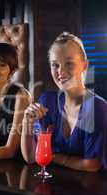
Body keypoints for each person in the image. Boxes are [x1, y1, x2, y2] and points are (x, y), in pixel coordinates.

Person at [21, 32, 107, 172]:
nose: (61, 71)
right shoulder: (47, 101)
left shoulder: (97, 107)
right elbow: (31, 157)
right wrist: (26, 123)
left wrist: (54, 157)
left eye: (69, 63)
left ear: (85, 65)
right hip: (52, 187)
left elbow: (91, 165)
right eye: (55, 65)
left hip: (91, 190)